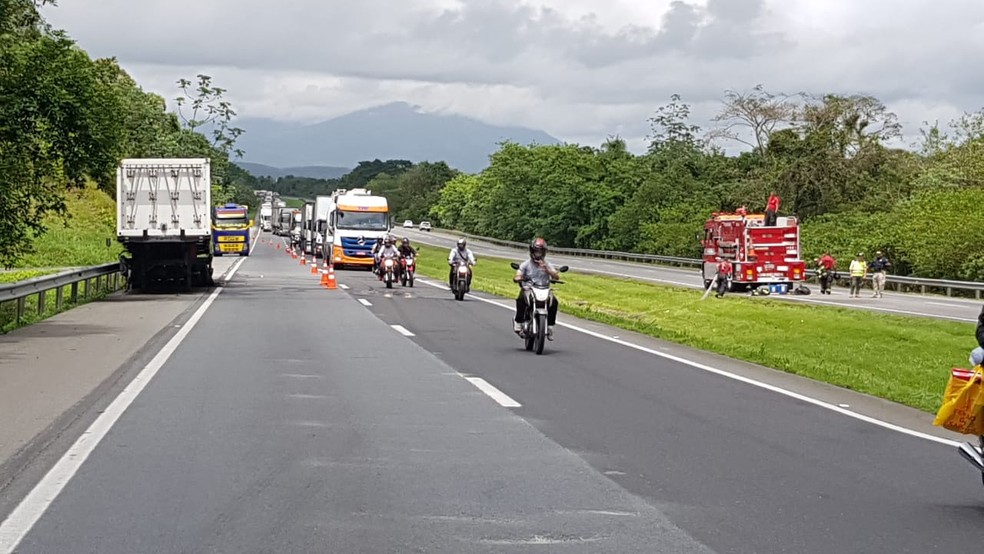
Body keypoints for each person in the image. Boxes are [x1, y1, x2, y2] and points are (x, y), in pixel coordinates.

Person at [513, 238, 560, 340]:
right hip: (529, 288)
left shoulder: (547, 264)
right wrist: (520, 277)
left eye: (540, 252)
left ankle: (550, 326)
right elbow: (518, 275)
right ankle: (518, 322)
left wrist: (547, 270)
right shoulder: (526, 264)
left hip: (544, 289)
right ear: (532, 251)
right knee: (521, 299)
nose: (538, 254)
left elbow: (556, 277)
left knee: (554, 302)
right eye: (536, 251)